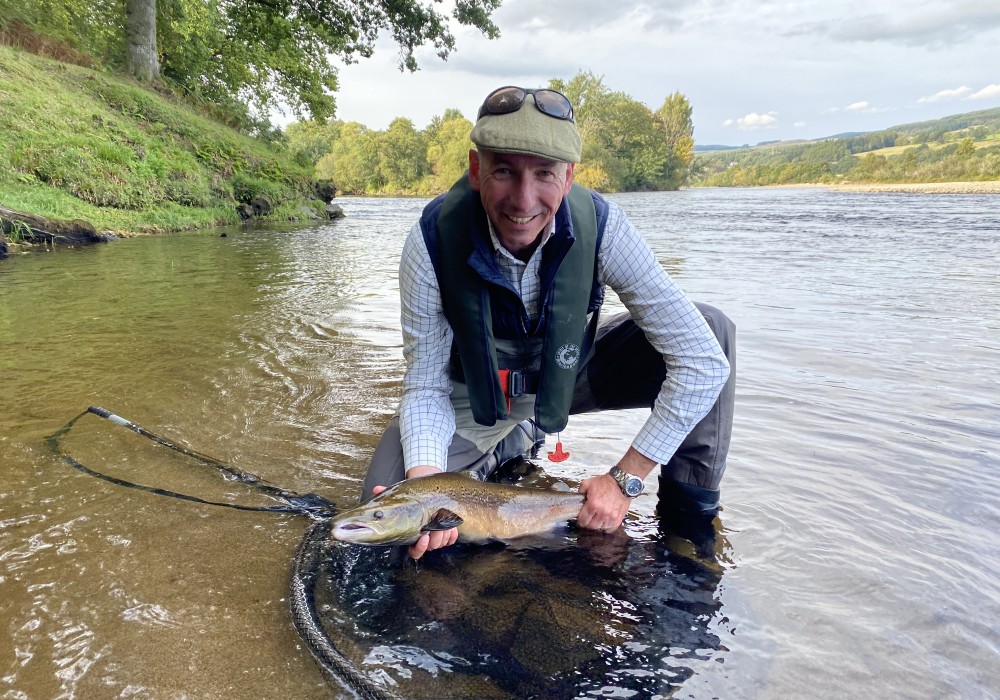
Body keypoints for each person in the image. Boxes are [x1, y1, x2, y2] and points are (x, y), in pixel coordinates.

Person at [361, 85, 735, 559]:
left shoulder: (606, 229)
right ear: (476, 170)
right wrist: (428, 490)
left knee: (712, 333)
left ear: (569, 176)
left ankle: (689, 532)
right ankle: (505, 445)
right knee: (387, 514)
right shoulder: (430, 243)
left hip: (570, 377)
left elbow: (702, 363)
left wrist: (626, 478)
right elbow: (425, 387)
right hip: (473, 396)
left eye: (544, 174)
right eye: (504, 171)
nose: (523, 200)